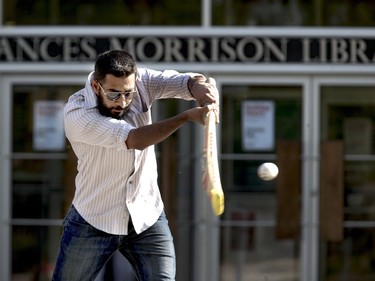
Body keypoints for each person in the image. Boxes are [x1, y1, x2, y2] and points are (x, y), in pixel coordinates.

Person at [52, 49, 219, 281]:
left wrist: (199, 88)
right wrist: (186, 117)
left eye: (128, 94)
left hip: (146, 216)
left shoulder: (142, 82)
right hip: (93, 219)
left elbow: (183, 83)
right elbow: (135, 139)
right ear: (95, 86)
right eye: (114, 94)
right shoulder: (77, 113)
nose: (122, 102)